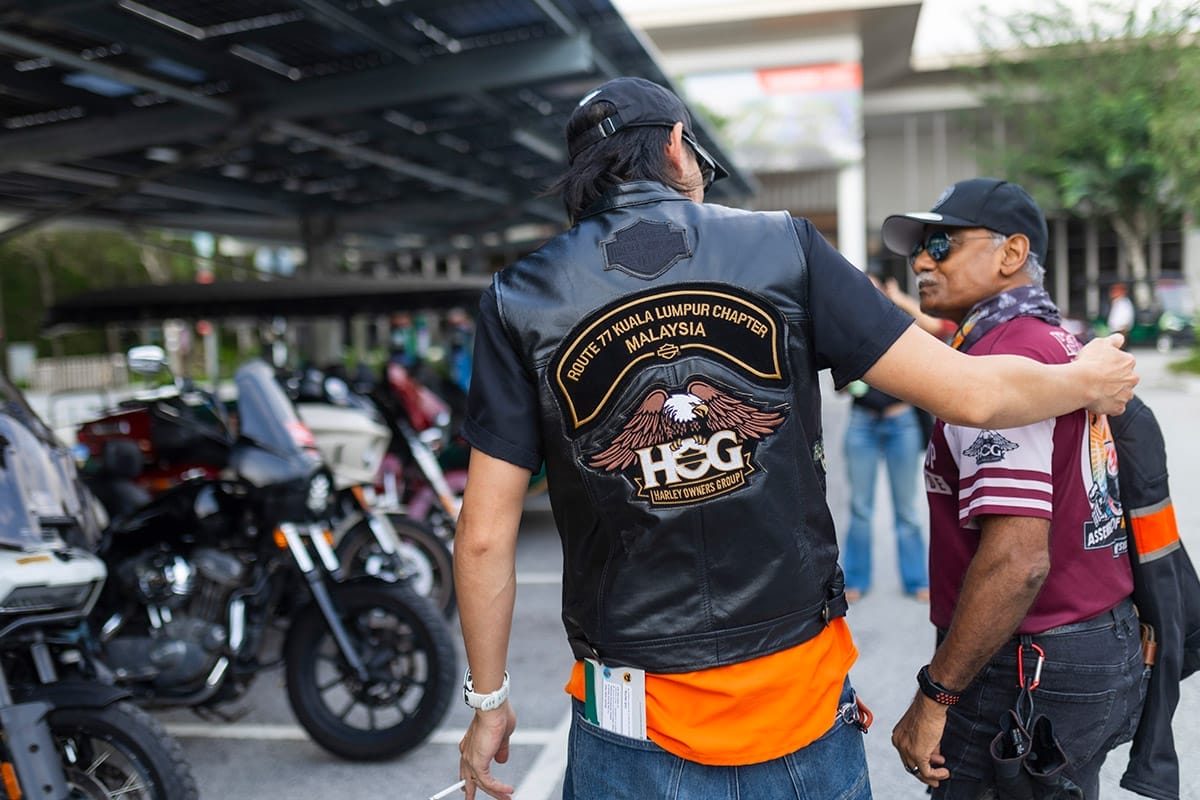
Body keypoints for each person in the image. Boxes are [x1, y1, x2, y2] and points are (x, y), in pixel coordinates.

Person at [454, 80, 1136, 800]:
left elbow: (484, 537)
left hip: (630, 715)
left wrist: (488, 703)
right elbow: (972, 393)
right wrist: (1083, 378)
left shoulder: (520, 298)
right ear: (677, 148)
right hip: (800, 706)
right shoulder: (784, 245)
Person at [883, 178, 1147, 798]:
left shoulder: (1005, 362)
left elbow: (1018, 560)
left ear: (1011, 253)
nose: (921, 262)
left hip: (1030, 663)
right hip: (1091, 638)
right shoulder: (1055, 343)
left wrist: (935, 694)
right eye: (919, 247)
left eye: (941, 244)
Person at [840, 275, 930, 604]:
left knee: (906, 509)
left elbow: (935, 332)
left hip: (900, 422)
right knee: (860, 508)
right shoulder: (846, 332)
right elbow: (840, 387)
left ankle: (917, 579)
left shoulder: (901, 327)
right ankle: (855, 579)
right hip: (862, 423)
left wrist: (901, 299)